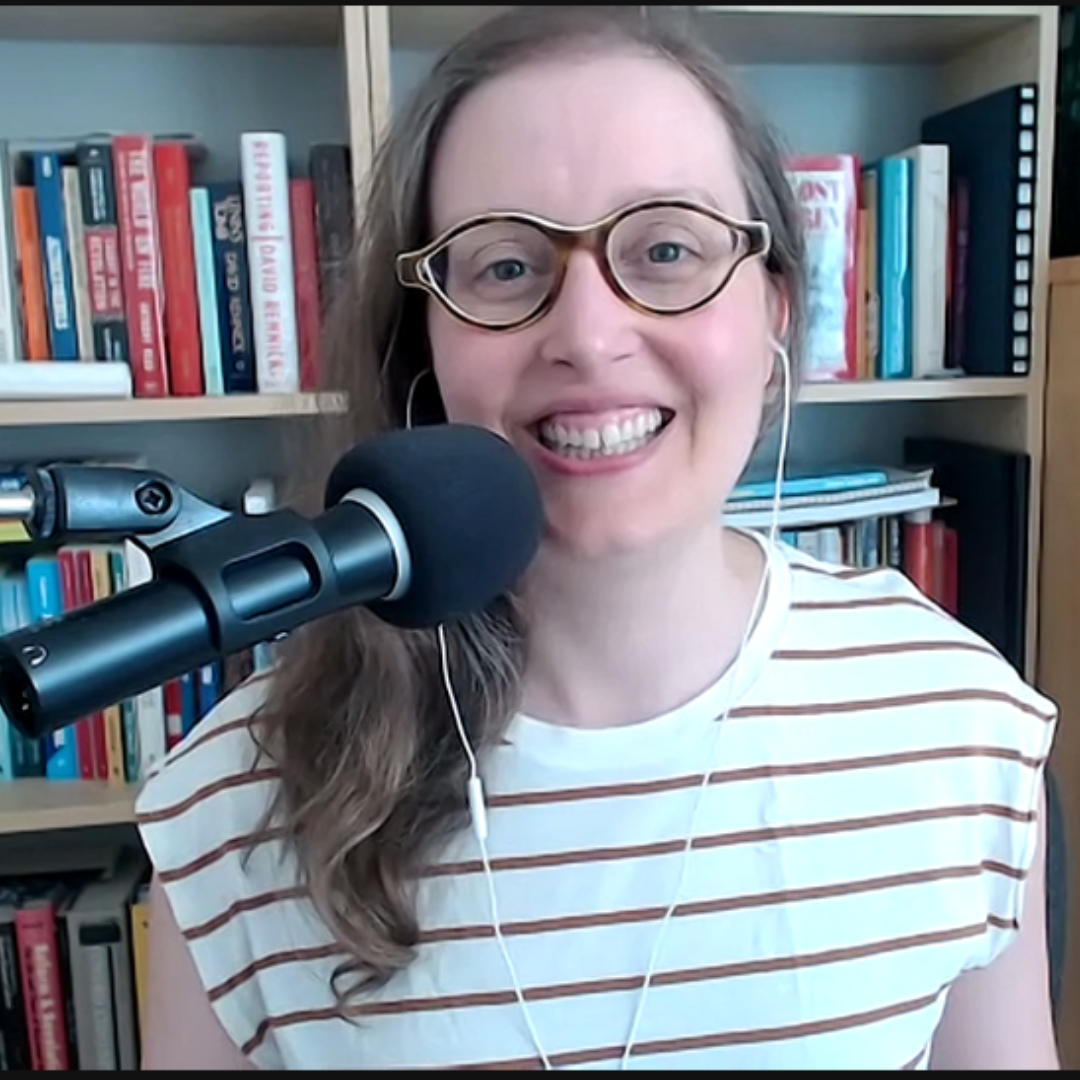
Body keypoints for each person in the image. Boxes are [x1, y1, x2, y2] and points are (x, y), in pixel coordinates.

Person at [135, 5, 1060, 1071]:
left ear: (774, 316)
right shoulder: (232, 810)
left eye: (666, 247)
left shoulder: (959, 727)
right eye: (506, 267)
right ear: (423, 348)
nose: (587, 334)